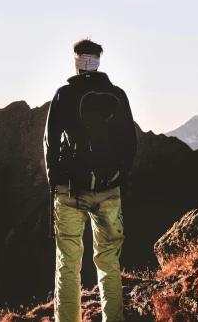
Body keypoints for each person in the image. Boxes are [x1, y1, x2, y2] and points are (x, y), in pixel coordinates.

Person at [43, 38, 138, 322]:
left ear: (77, 60)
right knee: (109, 261)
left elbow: (50, 141)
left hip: (71, 189)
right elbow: (131, 143)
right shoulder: (118, 95)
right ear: (98, 60)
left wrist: (55, 179)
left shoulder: (64, 94)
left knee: (68, 264)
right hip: (109, 190)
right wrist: (118, 175)